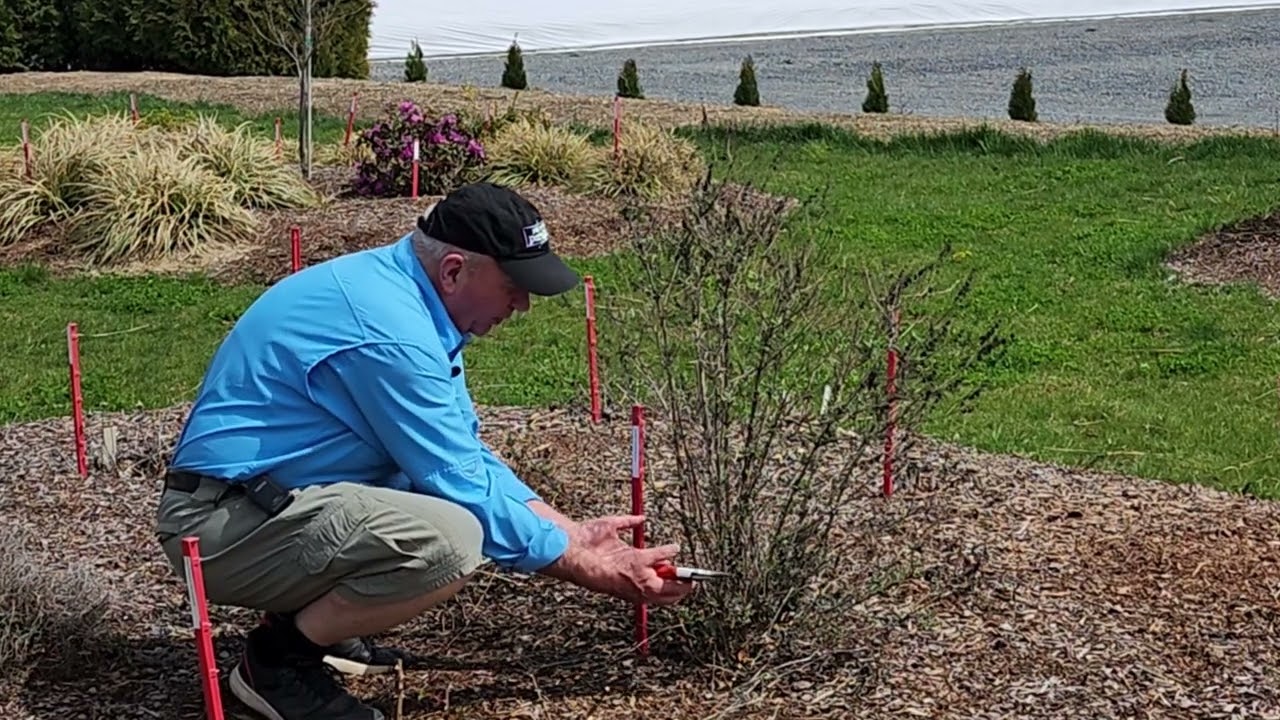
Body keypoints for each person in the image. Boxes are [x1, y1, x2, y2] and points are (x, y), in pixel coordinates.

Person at [153, 182, 696, 720]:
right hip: (216, 528)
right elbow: (457, 481)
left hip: (260, 505)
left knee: (428, 499)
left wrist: (573, 533)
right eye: (514, 284)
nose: (523, 305)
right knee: (453, 539)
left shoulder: (402, 299)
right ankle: (277, 667)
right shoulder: (392, 333)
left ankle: (318, 629)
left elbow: (466, 456)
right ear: (455, 270)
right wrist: (588, 567)